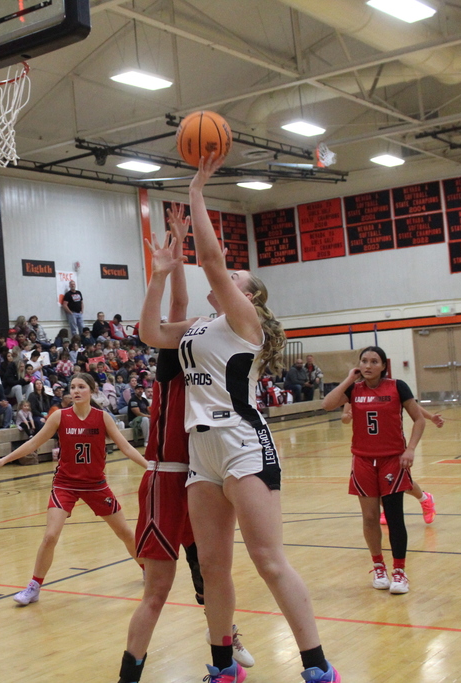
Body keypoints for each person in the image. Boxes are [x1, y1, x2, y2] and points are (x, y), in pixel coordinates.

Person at [139, 154, 339, 683]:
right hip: (201, 449)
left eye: (234, 276)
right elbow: (151, 333)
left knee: (269, 560)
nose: (224, 277)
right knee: (215, 568)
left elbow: (208, 261)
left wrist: (198, 191)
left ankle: (317, 666)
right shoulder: (200, 326)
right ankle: (223, 666)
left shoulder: (243, 319)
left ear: (246, 294)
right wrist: (160, 274)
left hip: (243, 441)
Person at [119, 203, 252, 683]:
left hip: (208, 474)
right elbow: (174, 314)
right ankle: (132, 673)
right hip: (172, 475)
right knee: (159, 589)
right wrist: (170, 269)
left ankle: (226, 644)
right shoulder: (190, 341)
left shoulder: (234, 339)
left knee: (212, 573)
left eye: (239, 281)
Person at [0, 373, 148, 606]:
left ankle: (146, 569)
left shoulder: (102, 418)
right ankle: (34, 587)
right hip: (65, 484)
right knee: (50, 535)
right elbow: (33, 443)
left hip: (96, 485)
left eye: (81, 387)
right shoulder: (60, 417)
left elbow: (126, 448)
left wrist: (149, 467)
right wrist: (4, 460)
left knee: (124, 532)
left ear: (91, 391)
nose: (75, 391)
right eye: (72, 387)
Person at [322, 346, 426, 595]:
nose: (368, 366)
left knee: (394, 517)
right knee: (369, 518)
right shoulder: (353, 389)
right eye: (364, 361)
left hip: (392, 460)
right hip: (363, 461)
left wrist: (410, 449)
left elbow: (418, 419)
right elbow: (327, 405)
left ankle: (399, 571)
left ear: (383, 366)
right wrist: (349, 378)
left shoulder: (397, 387)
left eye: (374, 361)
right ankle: (378, 566)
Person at [340, 403, 439, 525]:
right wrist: (348, 416)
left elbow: (410, 404)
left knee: (402, 483)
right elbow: (344, 419)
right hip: (366, 449)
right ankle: (387, 510)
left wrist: (430, 417)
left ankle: (424, 499)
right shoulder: (355, 392)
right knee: (376, 486)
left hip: (390, 446)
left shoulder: (390, 388)